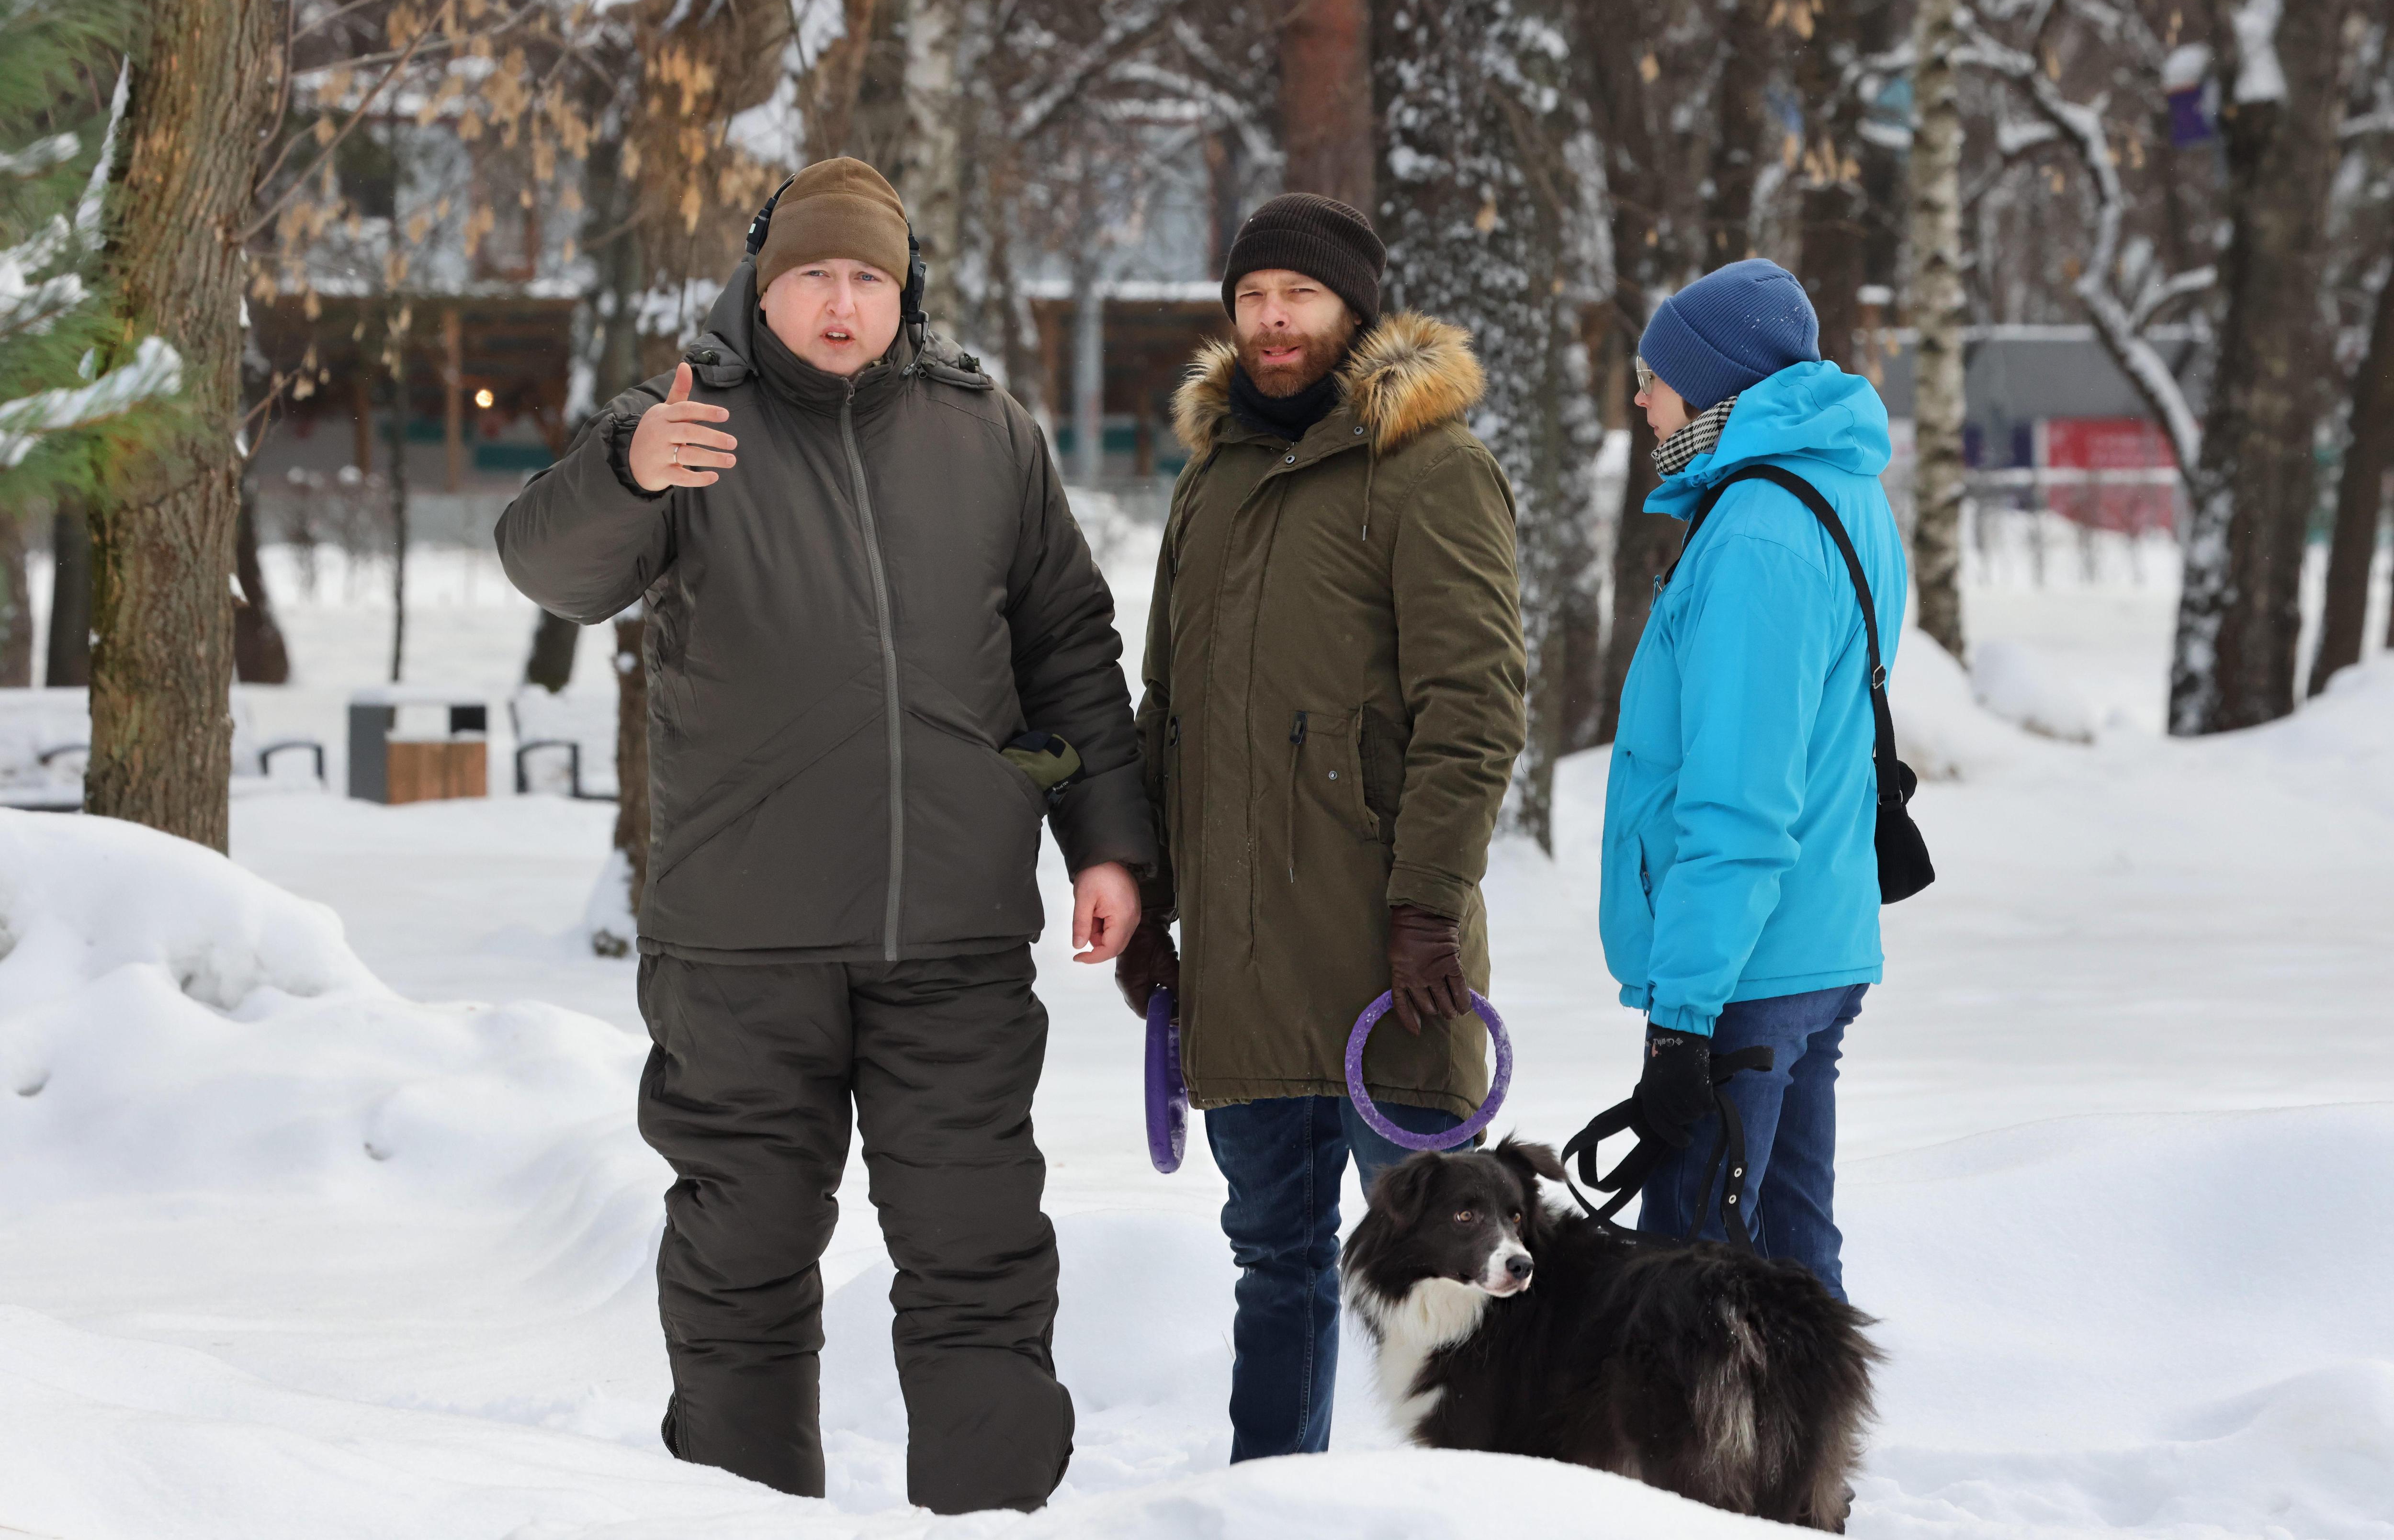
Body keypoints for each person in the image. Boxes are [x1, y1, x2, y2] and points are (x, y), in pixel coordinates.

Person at [495, 157, 1155, 1515]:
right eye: (813, 277)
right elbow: (549, 569)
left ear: (903, 289)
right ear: (763, 283)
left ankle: (988, 1519)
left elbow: (1069, 651)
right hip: (743, 946)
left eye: (868, 278)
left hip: (955, 936)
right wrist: (625, 474)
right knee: (741, 1273)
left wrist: (1107, 845)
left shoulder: (988, 435)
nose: (842, 304)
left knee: (978, 1263)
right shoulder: (683, 423)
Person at [1113, 192, 1527, 1461]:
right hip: (1240, 969)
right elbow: (1170, 711)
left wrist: (1423, 910)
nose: (1272, 320)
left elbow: (1478, 708)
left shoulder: (1430, 467)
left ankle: (1486, 1503)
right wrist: (1152, 898)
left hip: (1384, 976)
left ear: (1354, 310)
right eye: (1250, 299)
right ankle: (1270, 1506)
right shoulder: (1213, 481)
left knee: (1457, 1279)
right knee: (1274, 1269)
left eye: (1297, 296)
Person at [1602, 257, 1905, 1304]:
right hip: (1811, 941)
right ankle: (1808, 1472)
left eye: (1654, 377)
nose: (1639, 399)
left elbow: (1737, 802)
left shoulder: (1756, 537)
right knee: (1787, 1265)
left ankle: (1690, 1477)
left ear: (1717, 386)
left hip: (1746, 970)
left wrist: (1681, 1017)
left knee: (1682, 1302)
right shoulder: (1840, 490)